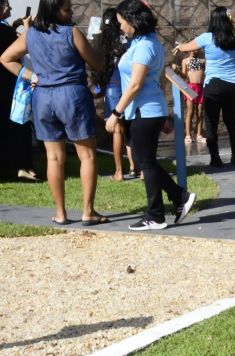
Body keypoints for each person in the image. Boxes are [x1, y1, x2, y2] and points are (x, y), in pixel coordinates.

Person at [1, 0, 109, 225]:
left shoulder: (31, 35)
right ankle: (88, 211)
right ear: (55, 10)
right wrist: (97, 43)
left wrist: (31, 76)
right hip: (72, 95)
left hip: (43, 97)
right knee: (87, 156)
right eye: (67, 8)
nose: (71, 12)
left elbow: (5, 58)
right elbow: (97, 63)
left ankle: (60, 213)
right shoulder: (72, 33)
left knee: (53, 157)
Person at [106, 0, 195, 231]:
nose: (121, 26)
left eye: (122, 22)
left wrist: (115, 113)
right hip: (145, 110)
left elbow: (135, 84)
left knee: (146, 162)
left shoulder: (145, 46)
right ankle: (179, 197)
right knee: (146, 160)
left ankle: (156, 215)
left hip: (145, 111)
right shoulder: (143, 42)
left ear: (133, 21)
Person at [173, 7, 235, 167]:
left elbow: (186, 47)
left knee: (211, 122)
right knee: (232, 121)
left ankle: (215, 158)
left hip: (214, 85)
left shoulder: (207, 38)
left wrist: (179, 46)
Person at [93, 7, 136, 182]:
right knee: (131, 130)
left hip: (111, 88)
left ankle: (119, 172)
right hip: (128, 86)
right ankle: (136, 168)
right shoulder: (127, 40)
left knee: (117, 131)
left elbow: (96, 68)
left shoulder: (100, 41)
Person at [0, 0, 38, 181]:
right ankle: (21, 165)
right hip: (9, 87)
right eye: (6, 4)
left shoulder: (6, 30)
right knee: (17, 124)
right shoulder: (5, 32)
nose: (10, 7)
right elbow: (28, 45)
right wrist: (27, 27)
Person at [176, 48, 204, 144]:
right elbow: (184, 75)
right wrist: (179, 70)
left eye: (196, 50)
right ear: (188, 51)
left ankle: (199, 134)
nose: (194, 51)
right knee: (190, 111)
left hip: (201, 87)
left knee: (200, 112)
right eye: (192, 50)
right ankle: (188, 135)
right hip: (191, 87)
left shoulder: (202, 61)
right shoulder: (185, 61)